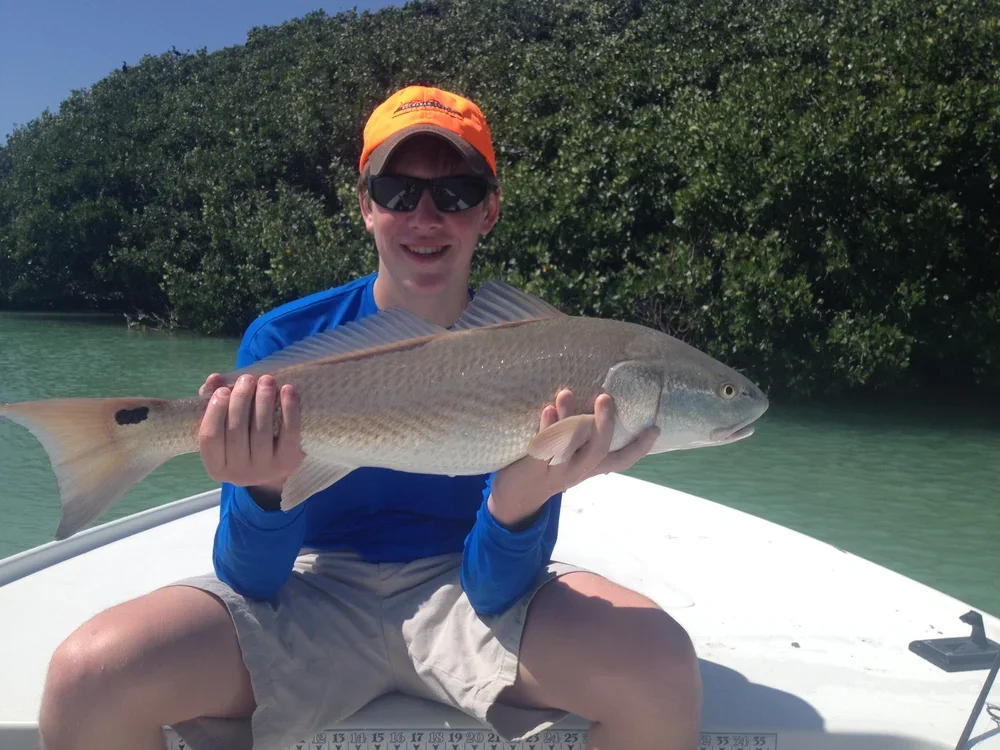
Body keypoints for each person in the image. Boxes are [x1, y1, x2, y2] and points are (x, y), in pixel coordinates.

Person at [37, 85, 702, 750]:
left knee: (662, 667)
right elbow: (252, 579)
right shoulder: (283, 341)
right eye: (396, 190)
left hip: (470, 598)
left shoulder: (552, 350)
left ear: (489, 210)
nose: (426, 215)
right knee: (88, 676)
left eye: (458, 194)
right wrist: (265, 493)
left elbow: (497, 588)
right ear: (365, 206)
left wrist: (519, 498)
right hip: (313, 591)